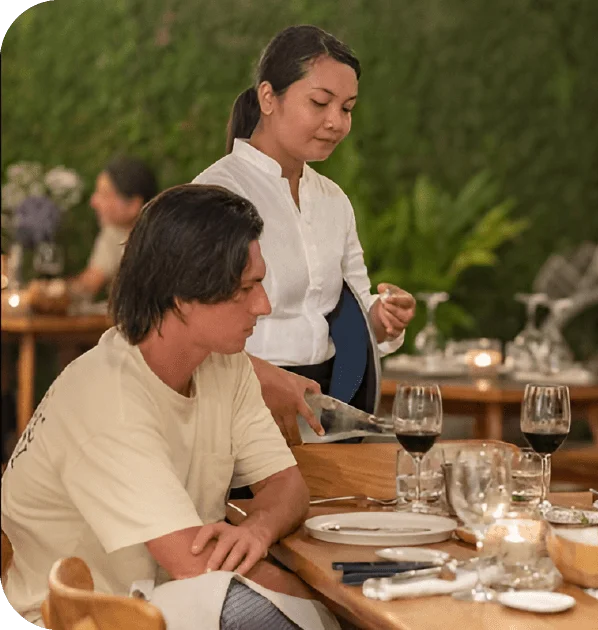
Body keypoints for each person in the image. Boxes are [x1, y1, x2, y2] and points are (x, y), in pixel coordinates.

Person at [0, 184, 336, 630]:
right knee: (261, 609)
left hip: (159, 595)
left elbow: (286, 485)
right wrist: (326, 612)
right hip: (82, 618)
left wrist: (257, 530)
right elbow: (197, 568)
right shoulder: (108, 402)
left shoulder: (225, 365)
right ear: (181, 296)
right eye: (246, 289)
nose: (264, 304)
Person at [193, 25, 415, 445]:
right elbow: (192, 326)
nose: (336, 122)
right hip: (239, 402)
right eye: (319, 103)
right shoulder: (217, 194)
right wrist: (264, 380)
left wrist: (381, 318)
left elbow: (352, 308)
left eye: (347, 108)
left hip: (325, 407)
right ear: (267, 98)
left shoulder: (332, 200)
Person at [70, 155, 159, 300]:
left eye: (104, 194)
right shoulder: (113, 232)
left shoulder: (164, 238)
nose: (93, 202)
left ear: (133, 205)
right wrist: (50, 292)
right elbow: (89, 284)